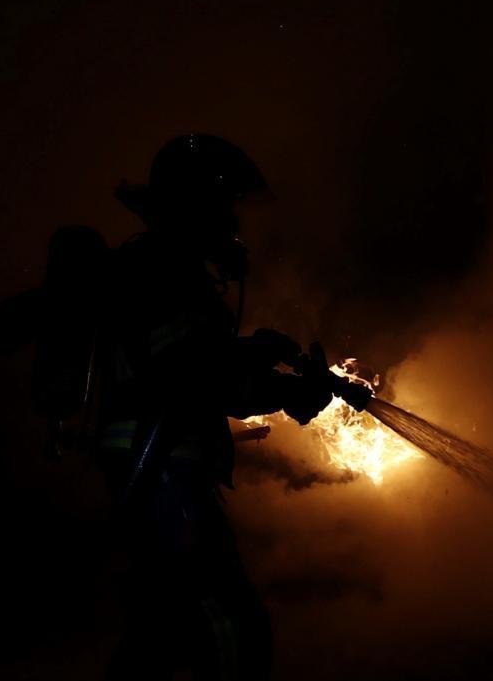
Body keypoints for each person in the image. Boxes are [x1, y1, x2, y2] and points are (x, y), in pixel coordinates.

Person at [95, 133, 369, 681]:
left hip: (157, 465)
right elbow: (193, 377)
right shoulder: (164, 270)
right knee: (231, 626)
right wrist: (284, 392)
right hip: (161, 467)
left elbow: (195, 361)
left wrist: (258, 352)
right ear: (199, 204)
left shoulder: (163, 268)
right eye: (227, 206)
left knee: (160, 628)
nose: (234, 224)